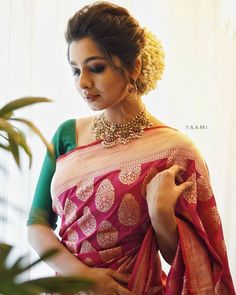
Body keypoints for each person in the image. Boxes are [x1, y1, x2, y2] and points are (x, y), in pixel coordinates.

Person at [27, 2, 235, 294]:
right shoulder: (66, 135)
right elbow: (36, 224)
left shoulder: (174, 150)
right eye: (75, 71)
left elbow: (192, 263)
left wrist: (161, 215)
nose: (84, 83)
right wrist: (85, 276)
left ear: (134, 66)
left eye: (96, 68)